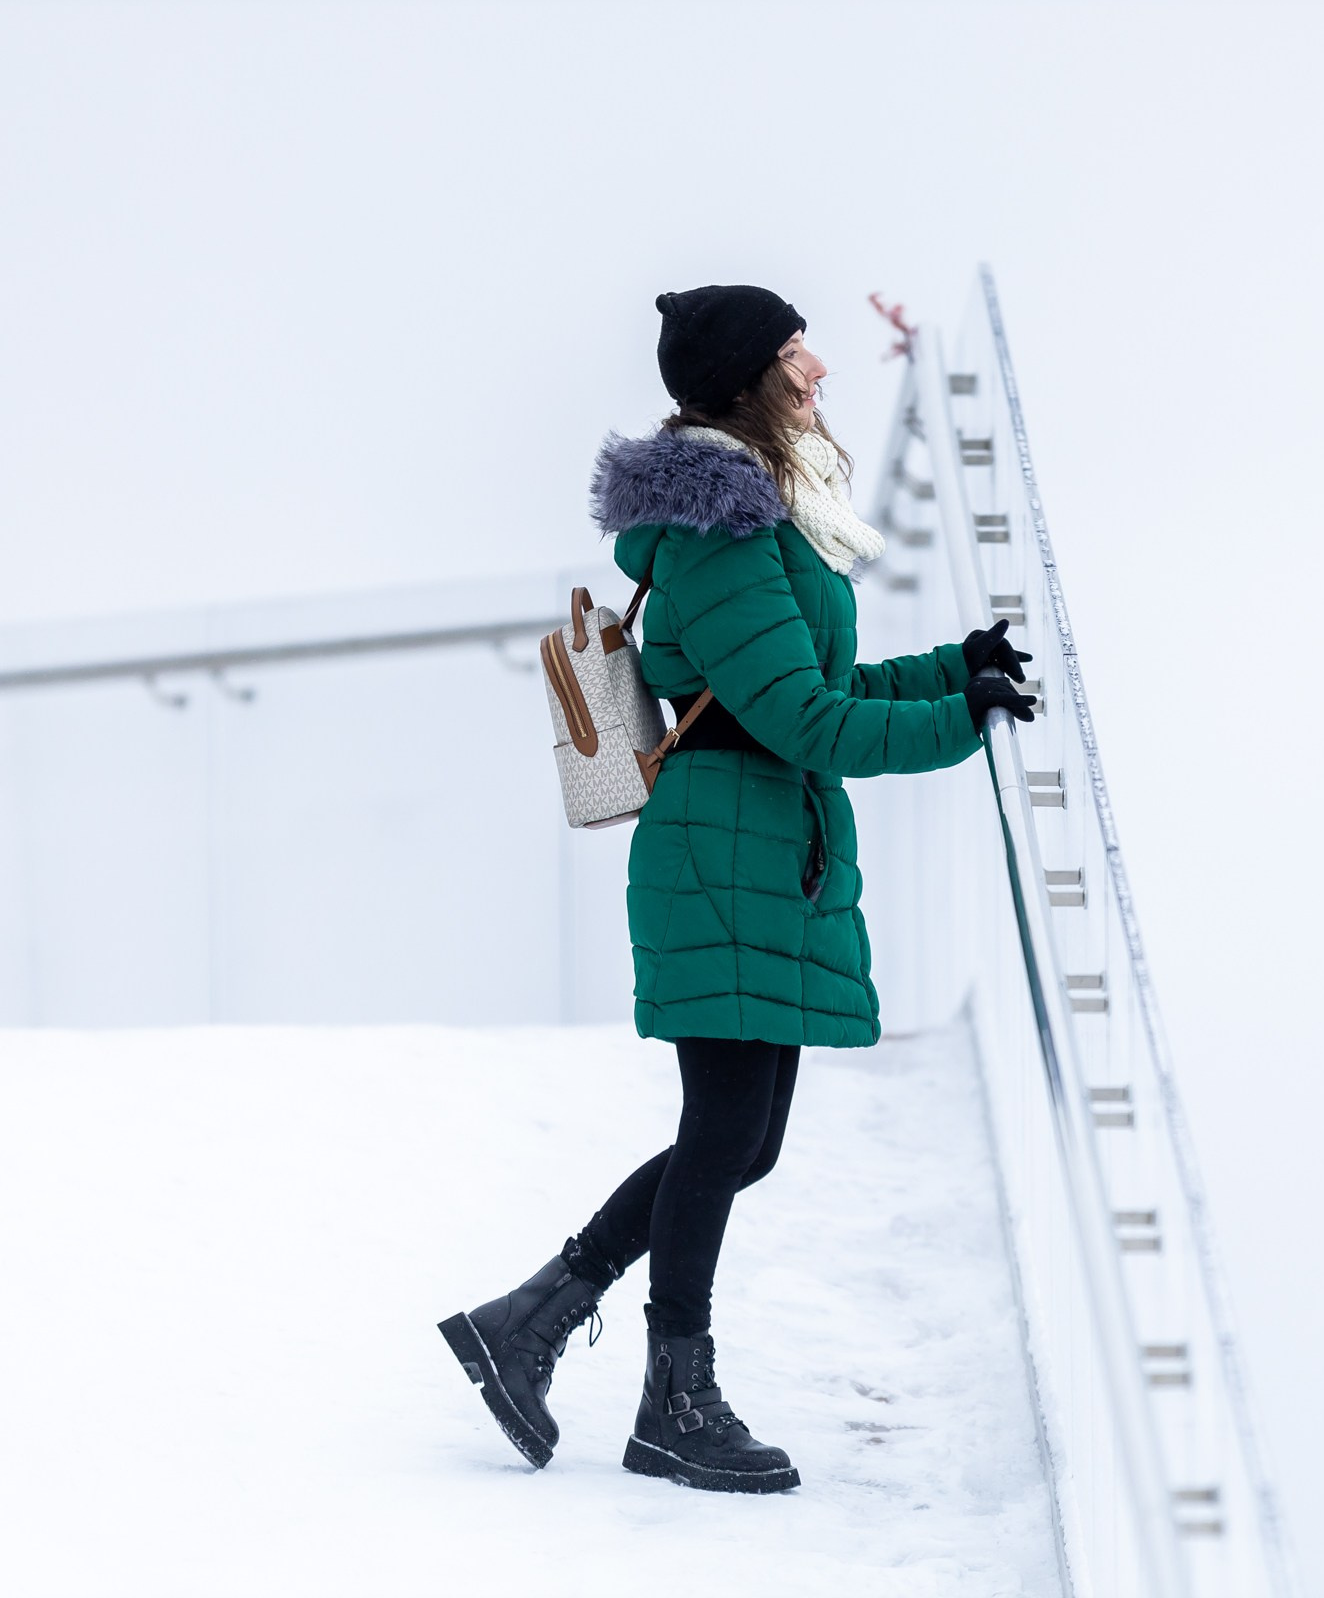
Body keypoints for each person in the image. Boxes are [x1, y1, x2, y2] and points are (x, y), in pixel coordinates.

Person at [438, 285, 1034, 1494]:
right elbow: (804, 716)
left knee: (741, 1142)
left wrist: (947, 670)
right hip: (722, 853)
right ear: (749, 378)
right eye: (792, 347)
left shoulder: (755, 523)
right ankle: (674, 1398)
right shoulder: (723, 537)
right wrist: (957, 724)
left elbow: (817, 676)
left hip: (761, 850)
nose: (817, 364)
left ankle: (530, 1321)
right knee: (724, 1136)